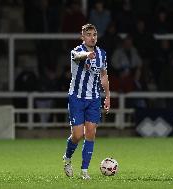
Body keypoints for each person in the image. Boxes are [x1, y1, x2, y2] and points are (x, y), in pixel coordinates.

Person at [62, 23, 110, 180]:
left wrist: (108, 95)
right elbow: (76, 57)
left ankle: (84, 171)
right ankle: (67, 158)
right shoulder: (76, 51)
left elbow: (103, 75)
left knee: (90, 133)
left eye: (94, 34)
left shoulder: (102, 54)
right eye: (88, 34)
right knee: (77, 135)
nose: (92, 37)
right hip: (76, 97)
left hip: (94, 99)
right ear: (83, 37)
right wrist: (87, 56)